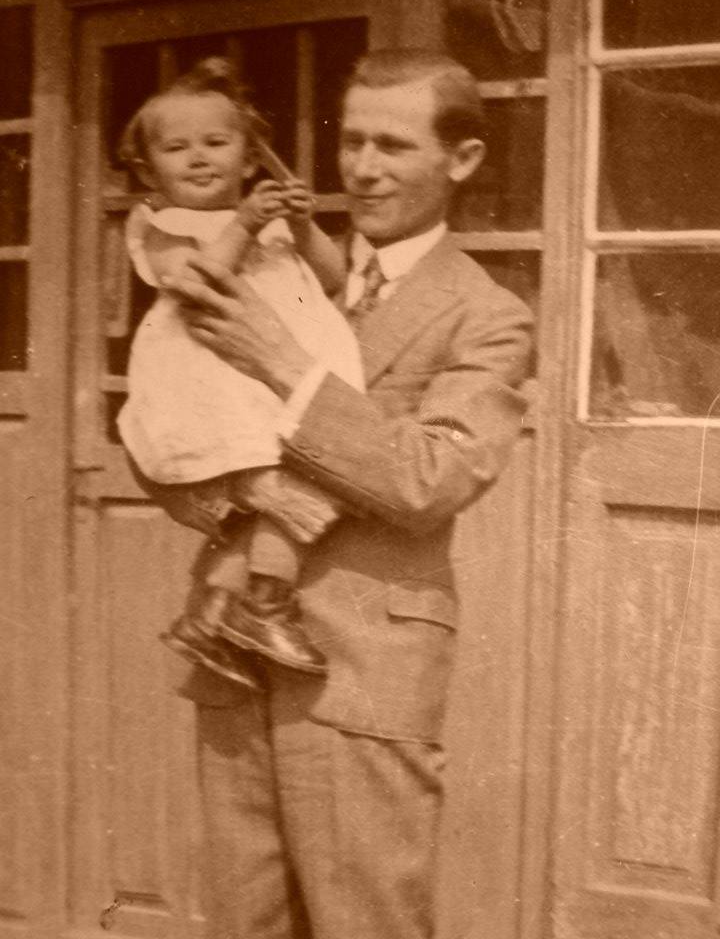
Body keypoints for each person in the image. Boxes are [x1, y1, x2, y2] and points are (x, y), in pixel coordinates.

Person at [135, 49, 533, 939]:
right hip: (232, 654)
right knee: (245, 923)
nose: (363, 168)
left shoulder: (486, 314)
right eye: (352, 142)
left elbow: (430, 479)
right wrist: (230, 496)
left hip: (363, 675)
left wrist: (283, 364)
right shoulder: (268, 265)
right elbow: (164, 431)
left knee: (365, 924)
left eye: (394, 145)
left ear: (462, 158)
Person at [117, 57, 364, 682]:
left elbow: (332, 279)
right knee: (297, 495)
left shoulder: (274, 229)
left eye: (215, 142)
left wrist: (301, 226)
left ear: (252, 159)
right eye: (176, 148)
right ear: (148, 169)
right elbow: (197, 283)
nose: (198, 158)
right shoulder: (163, 227)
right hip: (211, 392)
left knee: (268, 507)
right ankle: (265, 605)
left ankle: (208, 617)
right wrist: (247, 222)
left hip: (267, 388)